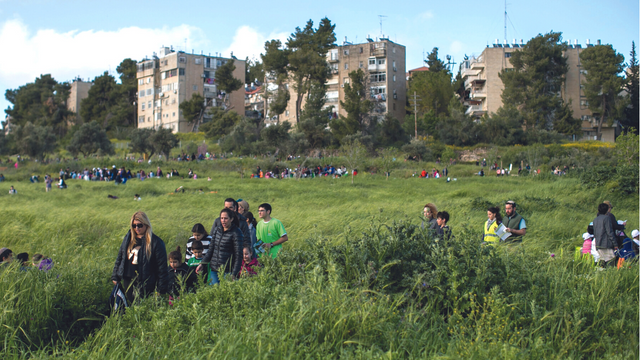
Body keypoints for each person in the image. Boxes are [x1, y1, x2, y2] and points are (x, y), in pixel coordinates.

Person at [111, 211, 168, 303]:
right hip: (128, 279)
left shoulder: (155, 242)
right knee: (129, 306)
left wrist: (161, 289)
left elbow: (162, 267)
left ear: (146, 224)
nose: (137, 228)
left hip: (145, 282)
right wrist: (115, 276)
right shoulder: (128, 238)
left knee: (142, 307)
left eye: (140, 225)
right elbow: (120, 257)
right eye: (134, 225)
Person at [197, 208, 243, 284]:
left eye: (225, 218)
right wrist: (203, 263)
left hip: (227, 270)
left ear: (231, 219)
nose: (223, 220)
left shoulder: (236, 233)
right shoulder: (217, 230)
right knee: (213, 292)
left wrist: (234, 273)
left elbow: (238, 255)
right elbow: (211, 249)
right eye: (221, 218)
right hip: (214, 269)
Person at [593, 203, 616, 267]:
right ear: (607, 210)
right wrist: (615, 243)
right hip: (606, 244)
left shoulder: (595, 220)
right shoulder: (607, 218)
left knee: (602, 262)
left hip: (598, 244)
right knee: (610, 262)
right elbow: (609, 232)